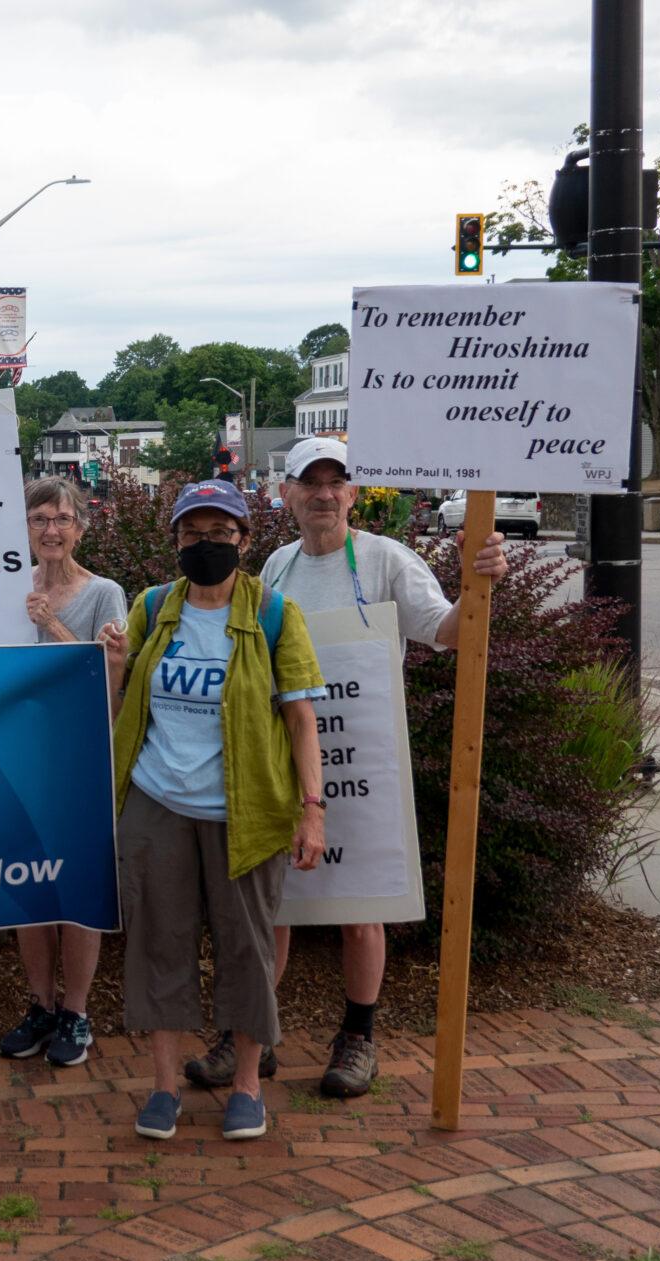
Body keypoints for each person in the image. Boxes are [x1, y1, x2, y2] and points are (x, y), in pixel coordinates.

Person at [182, 437, 509, 1100]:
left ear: (354, 494)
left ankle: (358, 1037)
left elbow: (447, 631)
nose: (324, 494)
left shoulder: (387, 559)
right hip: (284, 761)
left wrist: (482, 583)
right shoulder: (275, 567)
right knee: (272, 905)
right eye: (310, 482)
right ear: (289, 496)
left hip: (364, 757)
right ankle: (252, 1037)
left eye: (337, 483)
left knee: (365, 905)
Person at [99, 478, 327, 1142]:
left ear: (246, 541)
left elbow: (302, 720)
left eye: (220, 533)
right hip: (156, 803)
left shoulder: (276, 614)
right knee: (158, 944)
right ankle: (165, 1087)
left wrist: (313, 808)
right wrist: (114, 668)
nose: (206, 546)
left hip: (245, 813)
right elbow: (117, 710)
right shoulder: (150, 609)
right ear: (174, 542)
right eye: (193, 534)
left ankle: (248, 1086)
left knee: (247, 950)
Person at [0, 476, 127, 1068]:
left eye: (62, 519)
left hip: (78, 762)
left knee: (75, 891)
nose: (50, 530)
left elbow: (108, 685)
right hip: (14, 761)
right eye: (39, 519)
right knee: (29, 890)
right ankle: (40, 1005)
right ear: (23, 527)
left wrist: (50, 624)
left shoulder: (105, 594)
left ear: (80, 527)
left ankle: (76, 1012)